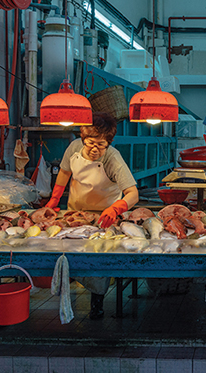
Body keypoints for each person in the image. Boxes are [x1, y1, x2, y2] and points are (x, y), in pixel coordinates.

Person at [45, 112, 139, 319]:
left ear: (109, 143)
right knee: (67, 253)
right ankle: (65, 293)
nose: (95, 149)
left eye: (101, 144)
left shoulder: (113, 158)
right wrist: (53, 200)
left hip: (103, 216)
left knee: (97, 259)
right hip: (74, 213)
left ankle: (97, 301)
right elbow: (64, 173)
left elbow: (133, 193)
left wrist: (116, 208)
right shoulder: (74, 148)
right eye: (90, 143)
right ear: (82, 138)